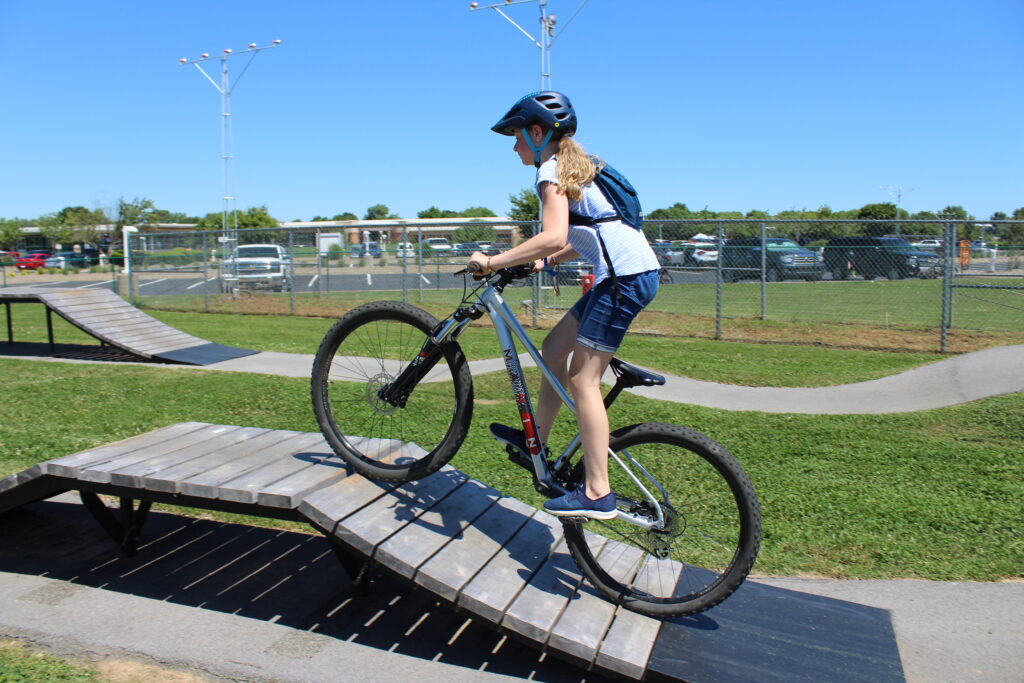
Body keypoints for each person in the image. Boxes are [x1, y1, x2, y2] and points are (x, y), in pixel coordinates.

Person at [468, 91, 661, 520]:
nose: (514, 145)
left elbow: (555, 233)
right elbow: (589, 234)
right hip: (628, 276)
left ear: (537, 133)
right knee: (554, 351)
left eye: (516, 136)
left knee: (582, 379)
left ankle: (597, 491)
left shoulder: (550, 170)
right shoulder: (580, 167)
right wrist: (544, 260)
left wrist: (492, 261)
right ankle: (534, 437)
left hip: (623, 282)